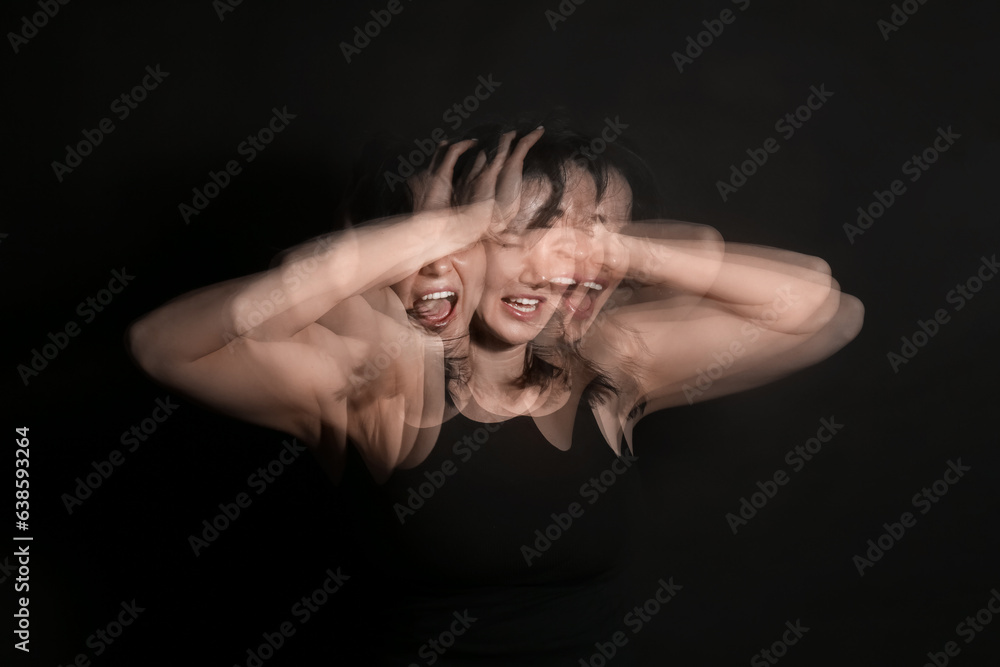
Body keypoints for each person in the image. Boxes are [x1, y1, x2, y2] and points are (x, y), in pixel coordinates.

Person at [128, 121, 863, 664]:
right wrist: (450, 225)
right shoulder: (370, 379)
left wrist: (613, 246)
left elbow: (821, 307)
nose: (555, 268)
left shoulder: (610, 364)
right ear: (451, 249)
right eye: (525, 235)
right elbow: (165, 344)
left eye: (578, 242)